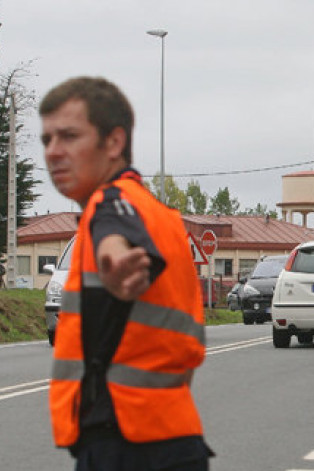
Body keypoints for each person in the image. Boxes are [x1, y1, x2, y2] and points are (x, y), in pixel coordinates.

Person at [40, 77, 212, 470]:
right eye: (47, 139)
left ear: (114, 143)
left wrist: (115, 263)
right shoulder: (164, 217)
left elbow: (117, 239)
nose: (53, 152)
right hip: (172, 435)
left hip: (124, 442)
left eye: (68, 136)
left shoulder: (111, 204)